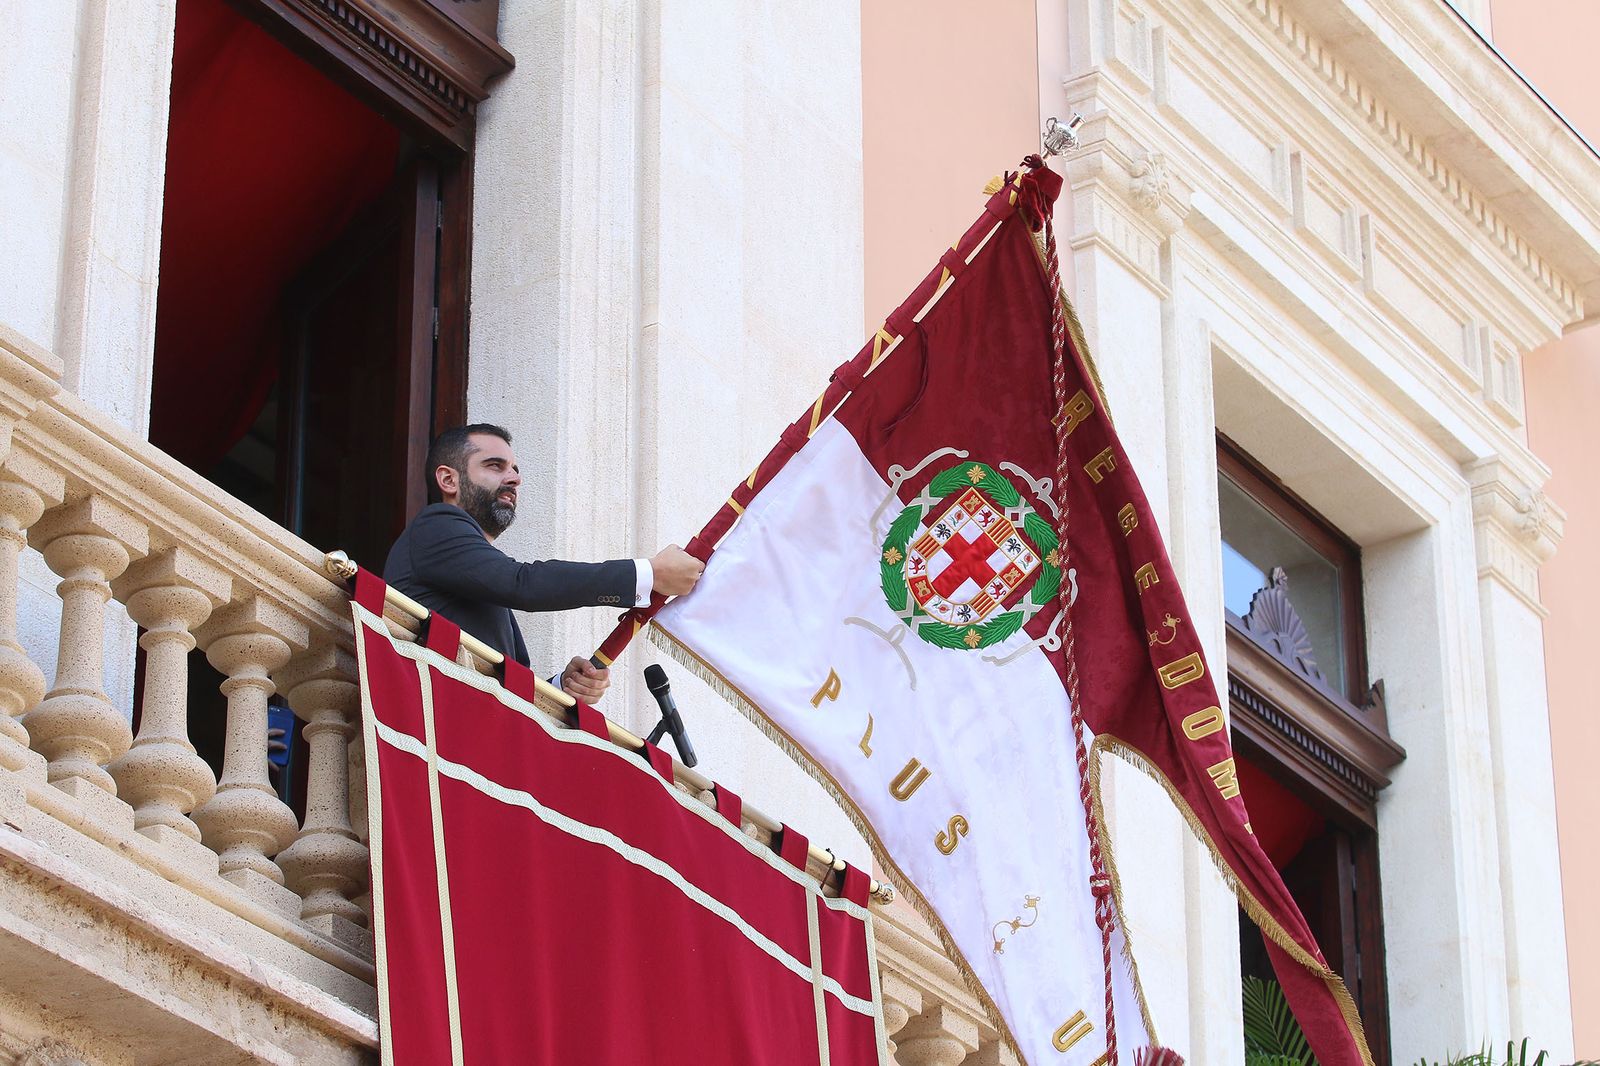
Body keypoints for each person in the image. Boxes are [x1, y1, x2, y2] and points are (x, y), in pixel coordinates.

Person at [384, 424, 702, 702]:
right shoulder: (436, 525)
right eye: (495, 466)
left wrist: (560, 687)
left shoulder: (472, 572)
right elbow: (524, 584)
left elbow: (503, 688)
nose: (514, 478)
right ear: (448, 480)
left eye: (515, 469)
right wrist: (647, 575)